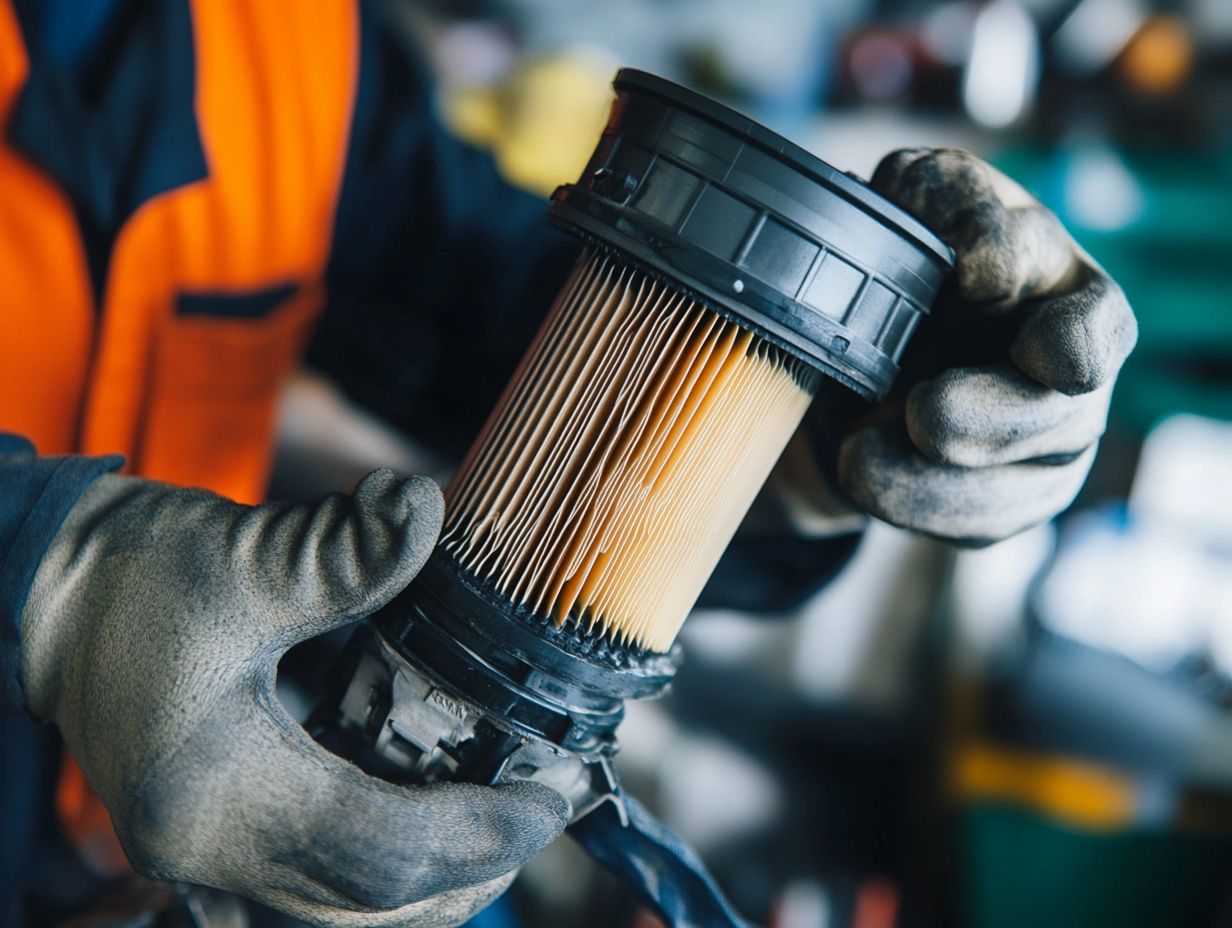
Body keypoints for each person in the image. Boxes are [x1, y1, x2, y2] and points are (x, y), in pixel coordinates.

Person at [0, 0, 1137, 925]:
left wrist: (809, 418)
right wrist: (40, 571)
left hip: (106, 860)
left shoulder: (289, 35)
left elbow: (497, 310)